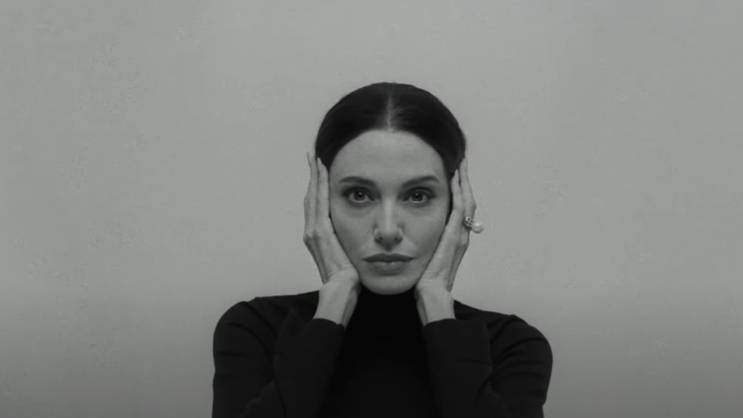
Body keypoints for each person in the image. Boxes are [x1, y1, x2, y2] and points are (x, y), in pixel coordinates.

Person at [211, 82, 553, 418]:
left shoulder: (510, 345)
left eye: (417, 196)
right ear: (321, 205)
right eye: (359, 195)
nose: (388, 230)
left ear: (454, 208)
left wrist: (438, 310)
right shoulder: (256, 330)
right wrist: (330, 313)